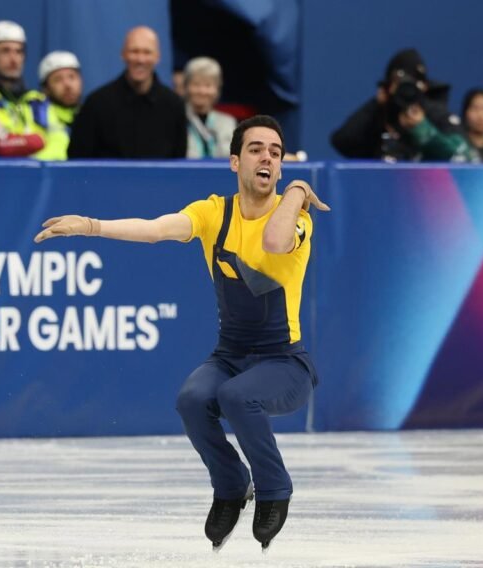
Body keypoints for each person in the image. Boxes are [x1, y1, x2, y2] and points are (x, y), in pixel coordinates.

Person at [35, 115, 329, 552]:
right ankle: (231, 485)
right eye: (255, 149)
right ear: (235, 161)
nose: (266, 158)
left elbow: (274, 241)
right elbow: (156, 230)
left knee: (236, 396)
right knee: (191, 400)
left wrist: (299, 190)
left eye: (275, 152)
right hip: (230, 355)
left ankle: (275, 487)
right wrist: (92, 226)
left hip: (284, 363)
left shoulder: (296, 218)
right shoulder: (213, 212)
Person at [330, 48, 472, 162]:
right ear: (389, 87)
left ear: (424, 86)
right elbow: (342, 142)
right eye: (399, 84)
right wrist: (375, 104)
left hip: (429, 188)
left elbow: (464, 156)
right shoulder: (380, 114)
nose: (406, 91)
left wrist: (423, 128)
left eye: (412, 85)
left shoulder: (435, 113)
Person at [67, 26, 187, 159]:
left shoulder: (174, 105)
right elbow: (78, 158)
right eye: (134, 51)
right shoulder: (96, 104)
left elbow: (179, 160)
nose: (140, 59)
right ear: (123, 54)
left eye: (147, 52)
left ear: (157, 57)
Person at [0, 20, 51, 159]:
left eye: (18, 52)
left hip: (43, 172)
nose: (13, 59)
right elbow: (1, 144)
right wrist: (37, 141)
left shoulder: (38, 101)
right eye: (5, 51)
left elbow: (59, 143)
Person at [183, 57, 236, 158]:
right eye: (196, 84)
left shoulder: (228, 123)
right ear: (186, 87)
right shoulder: (176, 120)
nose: (202, 91)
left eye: (208, 85)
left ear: (217, 89)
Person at [34, 51, 83, 160]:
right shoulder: (35, 114)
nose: (67, 85)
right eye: (58, 80)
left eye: (72, 77)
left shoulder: (92, 113)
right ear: (46, 89)